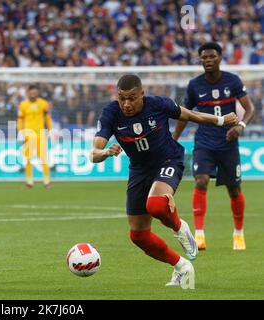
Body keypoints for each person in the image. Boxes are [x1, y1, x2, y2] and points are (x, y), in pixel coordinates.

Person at [90, 74, 238, 288]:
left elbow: (190, 115)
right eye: (122, 98)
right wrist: (104, 152)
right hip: (139, 170)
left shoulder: (158, 104)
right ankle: (181, 266)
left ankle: (180, 228)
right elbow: (93, 153)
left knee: (156, 205)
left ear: (142, 94)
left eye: (132, 98)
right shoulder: (111, 113)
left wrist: (222, 120)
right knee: (138, 235)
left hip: (168, 159)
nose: (127, 104)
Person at [173, 42, 255, 251]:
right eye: (204, 57)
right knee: (201, 181)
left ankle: (238, 233)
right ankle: (199, 235)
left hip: (228, 143)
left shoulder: (233, 81)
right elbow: (184, 113)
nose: (208, 60)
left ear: (219, 57)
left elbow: (249, 108)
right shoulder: (194, 85)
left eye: (211, 56)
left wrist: (241, 126)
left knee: (234, 189)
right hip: (204, 142)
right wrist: (173, 138)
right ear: (200, 60)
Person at [17, 84, 52, 188]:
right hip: (28, 134)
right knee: (28, 158)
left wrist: (50, 130)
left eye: (35, 92)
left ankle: (46, 181)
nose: (33, 94)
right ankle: (29, 181)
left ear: (37, 93)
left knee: (43, 158)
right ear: (28, 93)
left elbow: (47, 118)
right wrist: (20, 132)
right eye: (31, 92)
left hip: (40, 134)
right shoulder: (23, 105)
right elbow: (20, 120)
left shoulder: (43, 104)